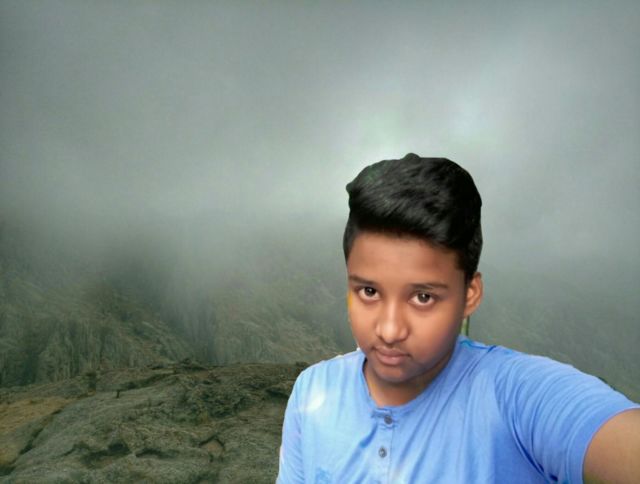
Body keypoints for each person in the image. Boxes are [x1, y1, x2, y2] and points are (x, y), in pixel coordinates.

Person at [276, 153, 640, 483]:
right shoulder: (313, 390)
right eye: (369, 291)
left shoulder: (515, 395)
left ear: (470, 294)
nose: (389, 330)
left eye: (422, 297)